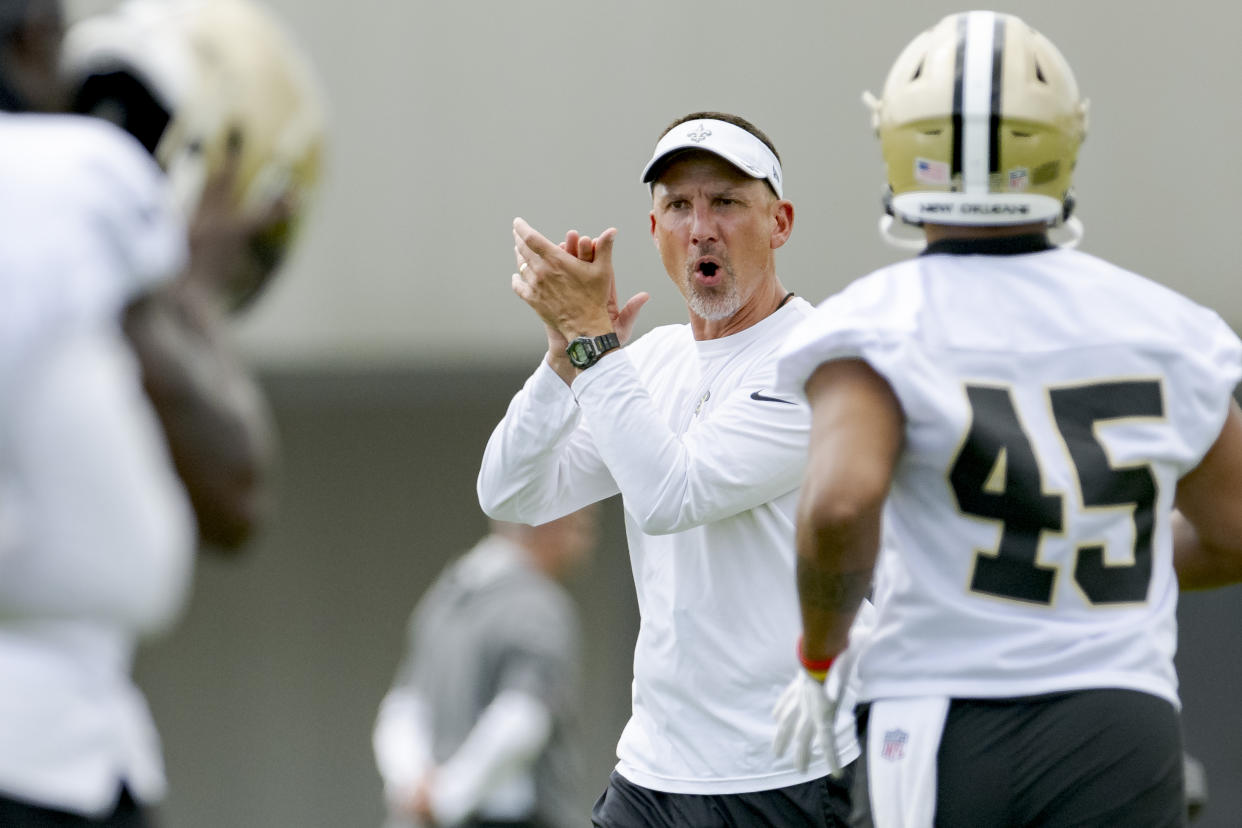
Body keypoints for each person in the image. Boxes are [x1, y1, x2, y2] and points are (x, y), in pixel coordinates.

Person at [774, 10, 1242, 827]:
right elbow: (1235, 529)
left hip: (943, 714)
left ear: (898, 140)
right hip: (1119, 719)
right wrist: (1091, 538)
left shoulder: (875, 321)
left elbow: (840, 503)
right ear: (1062, 143)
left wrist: (819, 655)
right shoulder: (1167, 327)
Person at [477, 111, 857, 827]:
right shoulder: (645, 360)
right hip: (655, 773)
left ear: (780, 223)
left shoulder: (820, 359)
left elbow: (670, 494)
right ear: (654, 232)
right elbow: (511, 491)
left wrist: (594, 347)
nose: (700, 227)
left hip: (792, 774)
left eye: (726, 202)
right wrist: (561, 365)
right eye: (678, 206)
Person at [0, 0, 323, 823]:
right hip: (40, 755)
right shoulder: (74, 176)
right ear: (32, 35)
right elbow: (234, 489)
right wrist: (187, 289)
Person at [373, 509, 597, 828]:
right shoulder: (540, 605)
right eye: (582, 526)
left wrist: (413, 788)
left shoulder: (447, 595)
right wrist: (446, 797)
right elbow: (522, 719)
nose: (587, 543)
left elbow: (401, 709)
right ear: (550, 521)